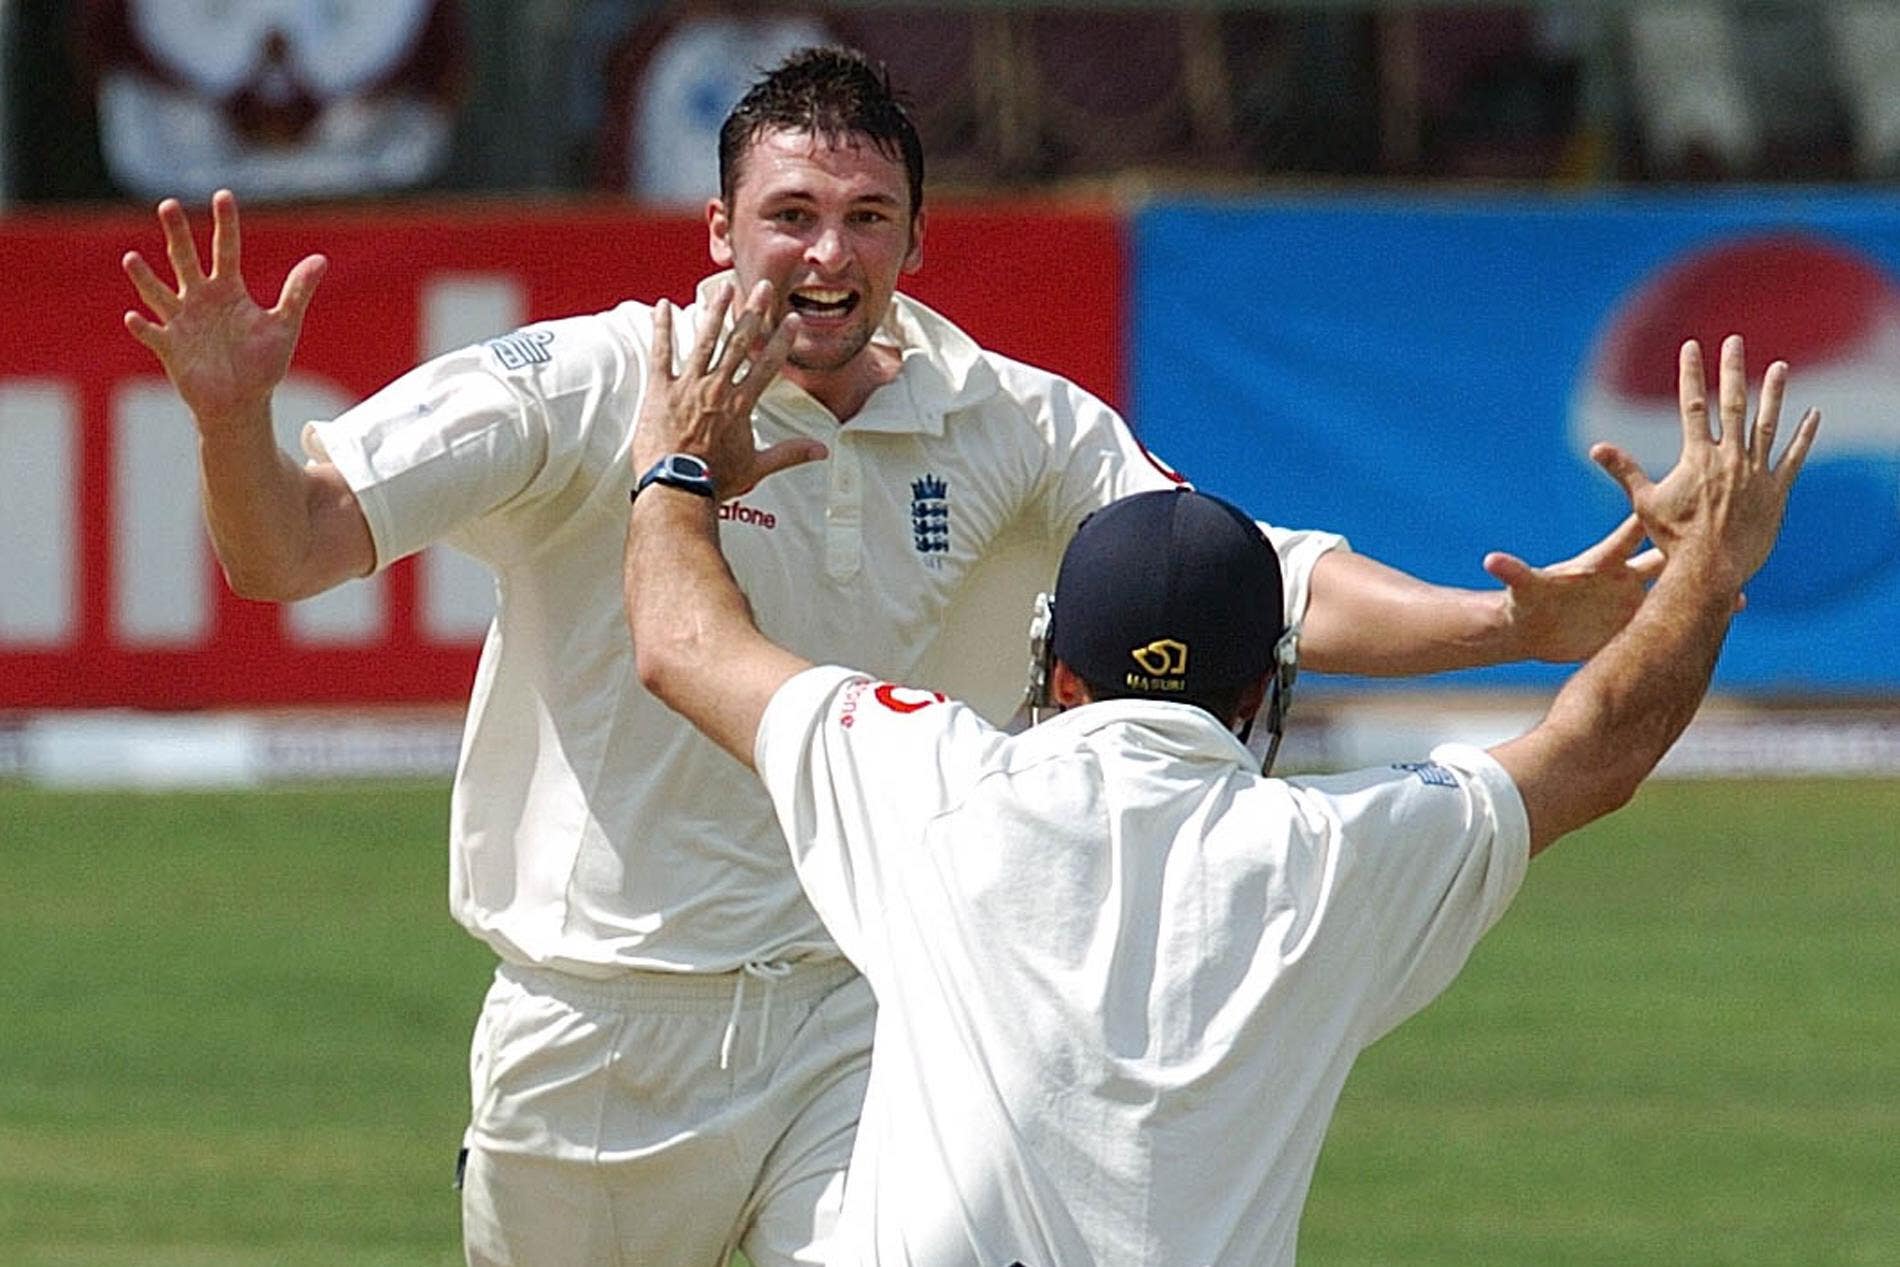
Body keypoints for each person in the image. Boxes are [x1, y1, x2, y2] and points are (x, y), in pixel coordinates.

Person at [122, 45, 1666, 1267]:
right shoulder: (595, 382)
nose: (827, 252)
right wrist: (223, 417)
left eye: (866, 218)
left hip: (863, 1008)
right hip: (600, 1020)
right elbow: (291, 547)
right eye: (789, 215)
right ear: (718, 230)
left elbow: (1244, 577)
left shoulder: (1010, 413)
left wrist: (1509, 625)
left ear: (918, 238)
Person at [624, 303, 1818, 1264]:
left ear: (1054, 665)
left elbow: (683, 644)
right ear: (1261, 692)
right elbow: (1595, 747)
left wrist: (675, 465)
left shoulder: (925, 779)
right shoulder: (1336, 857)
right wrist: (1705, 572)